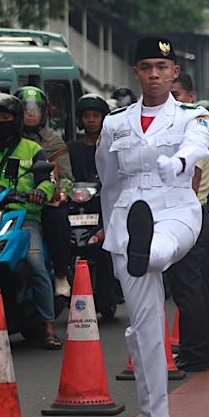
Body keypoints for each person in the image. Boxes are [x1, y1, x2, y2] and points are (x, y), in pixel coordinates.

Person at [96, 37, 209, 417]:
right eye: (146, 66)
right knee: (144, 330)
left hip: (178, 209)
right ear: (136, 72)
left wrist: (178, 163)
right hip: (129, 219)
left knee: (159, 252)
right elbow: (109, 182)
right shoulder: (114, 124)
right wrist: (112, 240)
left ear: (174, 72)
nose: (155, 74)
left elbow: (198, 146)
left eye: (162, 66)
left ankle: (148, 250)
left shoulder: (192, 114)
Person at [0, 94, 58, 348]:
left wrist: (39, 192)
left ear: (16, 121)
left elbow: (48, 180)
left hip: (22, 218)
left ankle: (48, 326)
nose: (1, 122)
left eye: (6, 118)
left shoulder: (32, 150)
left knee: (35, 263)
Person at [165, 73, 209, 372]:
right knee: (193, 286)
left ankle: (196, 351)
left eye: (178, 93)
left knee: (187, 288)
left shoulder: (194, 127)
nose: (173, 100)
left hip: (190, 213)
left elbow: (193, 181)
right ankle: (200, 345)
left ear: (190, 95)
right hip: (192, 214)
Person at [15, 86, 73, 300]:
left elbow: (66, 177)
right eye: (25, 108)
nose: (30, 113)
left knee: (57, 219)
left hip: (46, 202)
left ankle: (60, 274)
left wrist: (61, 195)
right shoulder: (8, 139)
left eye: (35, 108)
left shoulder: (53, 141)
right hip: (15, 202)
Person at [68, 93, 118, 316]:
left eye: (95, 115)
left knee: (108, 249)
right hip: (77, 205)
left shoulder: (112, 147)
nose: (91, 120)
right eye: (86, 116)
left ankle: (110, 294)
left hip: (104, 206)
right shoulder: (72, 148)